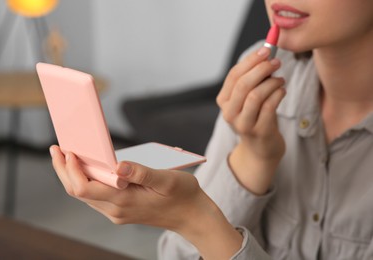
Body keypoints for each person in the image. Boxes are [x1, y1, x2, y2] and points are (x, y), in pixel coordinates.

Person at [49, 0, 373, 259]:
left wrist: (196, 219)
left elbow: (197, 228)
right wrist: (255, 155)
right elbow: (176, 256)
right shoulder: (265, 76)